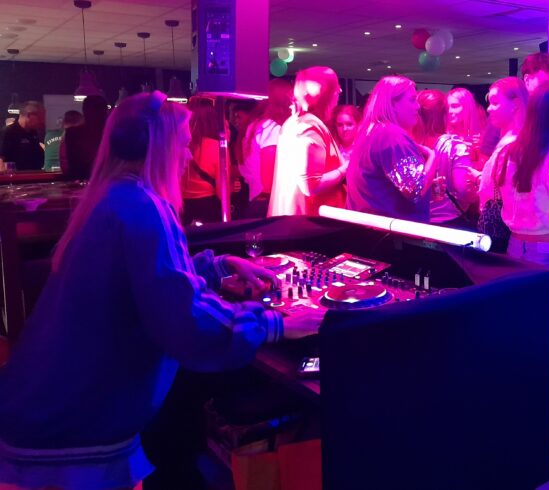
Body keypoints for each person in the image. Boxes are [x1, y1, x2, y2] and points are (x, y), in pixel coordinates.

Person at [0, 91, 318, 490]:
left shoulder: (115, 196)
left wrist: (218, 266)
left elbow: (142, 278)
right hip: (74, 423)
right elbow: (184, 321)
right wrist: (275, 323)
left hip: (47, 402)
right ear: (155, 147)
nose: (186, 156)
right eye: (182, 145)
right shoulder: (142, 207)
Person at [496, 84, 549, 476]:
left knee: (520, 348)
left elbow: (494, 202)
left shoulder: (509, 153)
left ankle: (520, 436)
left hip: (514, 254)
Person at [346, 76, 436, 222]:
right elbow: (415, 189)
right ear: (392, 104)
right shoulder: (391, 135)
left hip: (367, 227)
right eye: (412, 100)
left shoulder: (369, 130)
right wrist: (433, 157)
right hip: (391, 230)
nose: (417, 107)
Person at [269, 66, 346, 217]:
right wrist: (344, 169)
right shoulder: (309, 127)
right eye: (335, 87)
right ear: (325, 93)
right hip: (308, 222)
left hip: (295, 220)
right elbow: (310, 186)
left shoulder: (294, 123)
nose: (340, 91)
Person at [477, 77, 528, 253]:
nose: (489, 109)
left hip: (505, 228)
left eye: (495, 102)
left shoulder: (515, 144)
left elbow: (516, 194)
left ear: (515, 104)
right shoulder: (510, 139)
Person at [239, 78, 294, 219]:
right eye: (292, 99)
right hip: (267, 203)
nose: (294, 103)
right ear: (284, 101)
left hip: (255, 200)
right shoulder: (271, 129)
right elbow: (269, 181)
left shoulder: (255, 125)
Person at [429, 88, 482, 228]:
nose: (450, 111)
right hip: (450, 210)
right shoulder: (446, 139)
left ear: (468, 108)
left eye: (455, 106)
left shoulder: (477, 140)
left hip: (462, 209)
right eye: (448, 107)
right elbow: (461, 189)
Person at [180, 99, 222, 225]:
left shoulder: (179, 145)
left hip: (182, 205)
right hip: (208, 205)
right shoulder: (217, 147)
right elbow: (222, 191)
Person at [61, 95, 109, 180]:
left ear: (84, 111)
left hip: (79, 183)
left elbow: (70, 167)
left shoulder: (72, 133)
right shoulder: (113, 134)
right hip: (107, 182)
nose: (94, 115)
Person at [1, 101, 45, 171]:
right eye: (40, 118)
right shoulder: (8, 132)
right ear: (29, 115)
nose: (42, 121)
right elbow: (1, 161)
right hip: (17, 176)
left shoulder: (33, 132)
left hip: (35, 174)